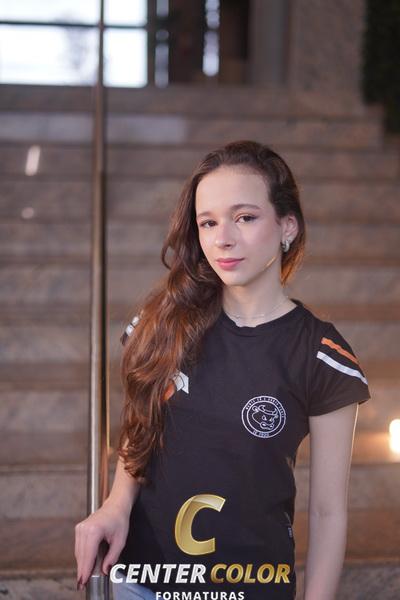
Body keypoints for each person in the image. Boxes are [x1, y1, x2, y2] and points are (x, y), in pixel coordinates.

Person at [75, 140, 371, 600]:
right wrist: (115, 505)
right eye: (208, 222)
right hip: (141, 583)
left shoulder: (321, 355)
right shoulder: (161, 324)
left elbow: (329, 512)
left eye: (245, 217)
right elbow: (140, 429)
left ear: (287, 226)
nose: (222, 239)